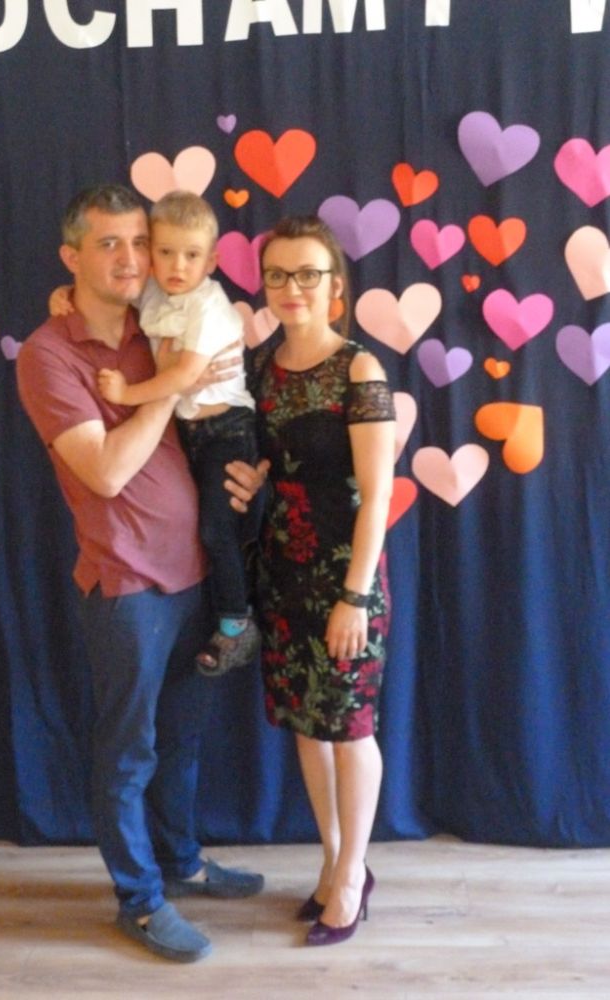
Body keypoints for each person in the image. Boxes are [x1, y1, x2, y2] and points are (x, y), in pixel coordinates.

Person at [16, 183, 263, 964]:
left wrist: (244, 468)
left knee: (181, 742)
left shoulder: (157, 319)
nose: (131, 258)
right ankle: (142, 901)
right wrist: (175, 385)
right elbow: (107, 471)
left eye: (138, 242)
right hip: (127, 585)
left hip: (195, 574)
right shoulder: (49, 355)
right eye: (109, 244)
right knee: (129, 752)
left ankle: (181, 862)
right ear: (71, 257)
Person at [243, 215, 396, 947]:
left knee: (350, 725)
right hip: (283, 570)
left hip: (345, 574)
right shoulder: (260, 367)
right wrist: (250, 477)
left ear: (335, 284)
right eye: (277, 274)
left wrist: (355, 596)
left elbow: (378, 494)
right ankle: (334, 860)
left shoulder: (360, 369)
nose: (292, 287)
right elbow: (261, 455)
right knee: (308, 723)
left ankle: (355, 875)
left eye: (308, 273)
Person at [96, 190, 261, 676]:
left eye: (191, 255)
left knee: (216, 527)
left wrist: (128, 394)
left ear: (211, 261)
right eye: (165, 252)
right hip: (186, 431)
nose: (177, 265)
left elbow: (185, 374)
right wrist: (62, 294)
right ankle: (202, 613)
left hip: (227, 430)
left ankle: (237, 623)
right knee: (189, 527)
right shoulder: (155, 291)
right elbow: (118, 297)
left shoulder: (207, 304)